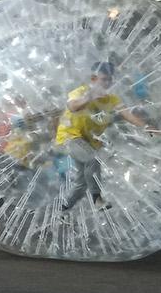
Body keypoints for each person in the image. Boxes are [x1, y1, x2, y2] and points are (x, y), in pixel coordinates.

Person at [55, 61, 145, 211]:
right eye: (104, 79)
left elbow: (127, 114)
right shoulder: (81, 91)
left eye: (110, 79)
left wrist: (146, 127)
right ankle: (97, 199)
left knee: (83, 181)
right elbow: (72, 107)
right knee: (92, 158)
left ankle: (63, 209)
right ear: (93, 79)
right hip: (69, 137)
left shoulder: (112, 99)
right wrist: (89, 97)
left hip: (86, 142)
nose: (107, 82)